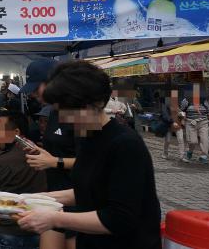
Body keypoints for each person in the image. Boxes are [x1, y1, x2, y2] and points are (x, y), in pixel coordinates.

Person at [17, 61, 161, 248]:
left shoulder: (126, 144)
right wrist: (40, 199)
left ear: (94, 103)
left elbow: (119, 218)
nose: (64, 120)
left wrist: (55, 218)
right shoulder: (87, 138)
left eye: (69, 111)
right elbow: (89, 189)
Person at [20, 58, 77, 249]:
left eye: (37, 88)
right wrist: (41, 152)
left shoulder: (81, 114)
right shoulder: (52, 113)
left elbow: (95, 162)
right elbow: (58, 150)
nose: (34, 94)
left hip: (79, 200)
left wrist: (53, 161)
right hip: (54, 199)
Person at [0, 112, 47, 249]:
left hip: (7, 229)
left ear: (16, 132)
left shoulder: (2, 160)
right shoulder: (41, 153)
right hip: (36, 226)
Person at [181, 91, 209, 164]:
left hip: (203, 122)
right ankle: (189, 153)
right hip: (190, 122)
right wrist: (182, 119)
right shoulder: (186, 101)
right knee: (193, 141)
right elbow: (182, 111)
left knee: (205, 140)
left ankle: (203, 157)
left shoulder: (204, 101)